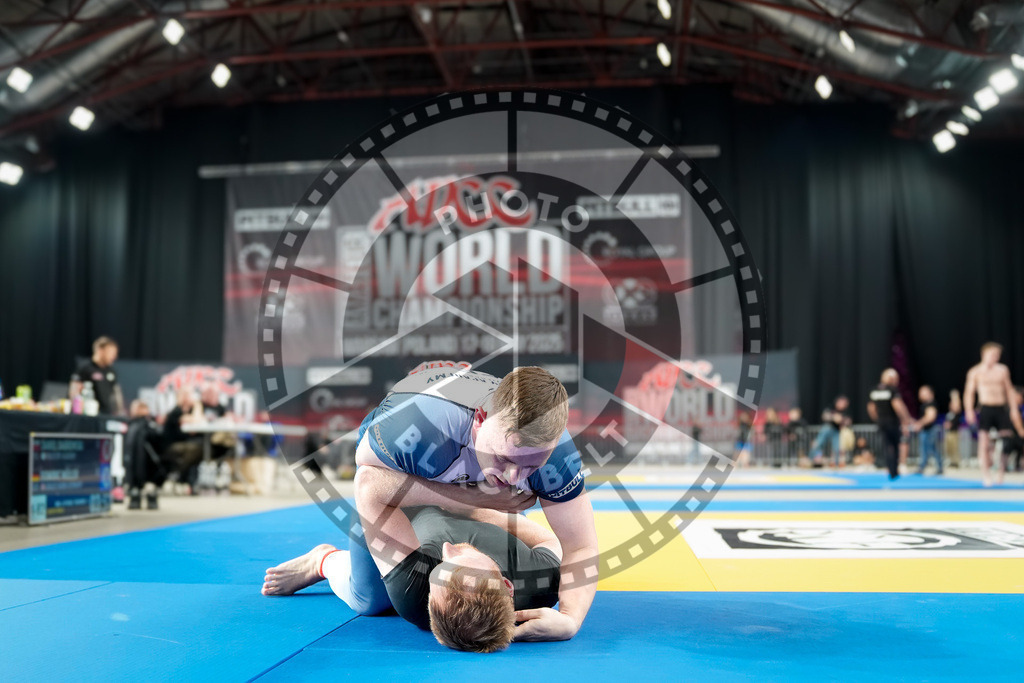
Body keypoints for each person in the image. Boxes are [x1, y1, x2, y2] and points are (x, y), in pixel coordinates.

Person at [352, 362, 598, 642]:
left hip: (478, 495)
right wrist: (470, 498)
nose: (513, 476)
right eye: (503, 458)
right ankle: (323, 561)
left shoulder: (556, 459)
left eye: (531, 466)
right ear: (480, 420)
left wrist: (570, 619)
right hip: (399, 475)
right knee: (369, 599)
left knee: (500, 566)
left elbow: (580, 545)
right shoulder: (418, 424)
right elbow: (369, 480)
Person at [262, 494, 562, 653]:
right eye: (463, 562)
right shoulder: (541, 582)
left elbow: (370, 500)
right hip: (461, 497)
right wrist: (472, 506)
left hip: (396, 512)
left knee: (370, 600)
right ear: (507, 586)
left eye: (443, 565)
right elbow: (551, 541)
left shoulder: (414, 592)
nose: (448, 549)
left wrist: (451, 503)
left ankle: (321, 560)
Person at [963, 343, 1024, 486]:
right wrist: (969, 410)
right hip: (985, 408)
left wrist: (1014, 409)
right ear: (984, 354)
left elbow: (1009, 391)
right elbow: (969, 393)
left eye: (998, 355)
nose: (996, 357)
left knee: (1005, 441)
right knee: (984, 442)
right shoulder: (975, 372)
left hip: (1001, 408)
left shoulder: (1002, 370)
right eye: (993, 354)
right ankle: (986, 475)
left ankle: (1001, 472)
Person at [867, 369, 912, 481]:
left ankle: (889, 468)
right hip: (892, 422)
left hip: (882, 422)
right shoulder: (892, 390)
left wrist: (878, 419)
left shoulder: (875, 390)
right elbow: (898, 406)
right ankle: (894, 471)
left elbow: (871, 408)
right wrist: (906, 419)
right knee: (895, 445)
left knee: (887, 446)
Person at [123, 400, 167, 510]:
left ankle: (142, 494)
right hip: (139, 468)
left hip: (150, 466)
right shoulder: (132, 426)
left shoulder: (149, 426)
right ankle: (137, 494)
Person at [70, 336, 125, 416]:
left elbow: (116, 393)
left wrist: (120, 411)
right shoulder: (85, 368)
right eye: (111, 352)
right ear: (100, 350)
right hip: (88, 415)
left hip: (106, 414)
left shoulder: (111, 371)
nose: (114, 356)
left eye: (115, 353)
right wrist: (77, 411)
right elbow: (74, 391)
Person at [809, 396, 850, 465]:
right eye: (842, 403)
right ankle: (811, 459)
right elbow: (824, 416)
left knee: (837, 448)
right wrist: (833, 417)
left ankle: (836, 463)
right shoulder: (831, 407)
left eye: (845, 404)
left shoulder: (845, 412)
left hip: (837, 431)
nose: (843, 405)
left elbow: (848, 421)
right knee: (818, 444)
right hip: (827, 428)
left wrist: (841, 420)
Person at [912, 385, 942, 475]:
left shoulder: (930, 404)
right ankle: (938, 467)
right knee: (932, 449)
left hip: (929, 430)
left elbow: (930, 417)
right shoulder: (926, 404)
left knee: (927, 449)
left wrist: (919, 424)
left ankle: (923, 467)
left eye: (922, 392)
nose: (920, 395)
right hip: (927, 430)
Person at [944, 389, 966, 469]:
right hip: (948, 432)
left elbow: (957, 406)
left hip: (954, 432)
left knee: (955, 448)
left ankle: (956, 462)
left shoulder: (957, 412)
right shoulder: (949, 414)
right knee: (948, 448)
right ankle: (952, 461)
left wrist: (955, 397)